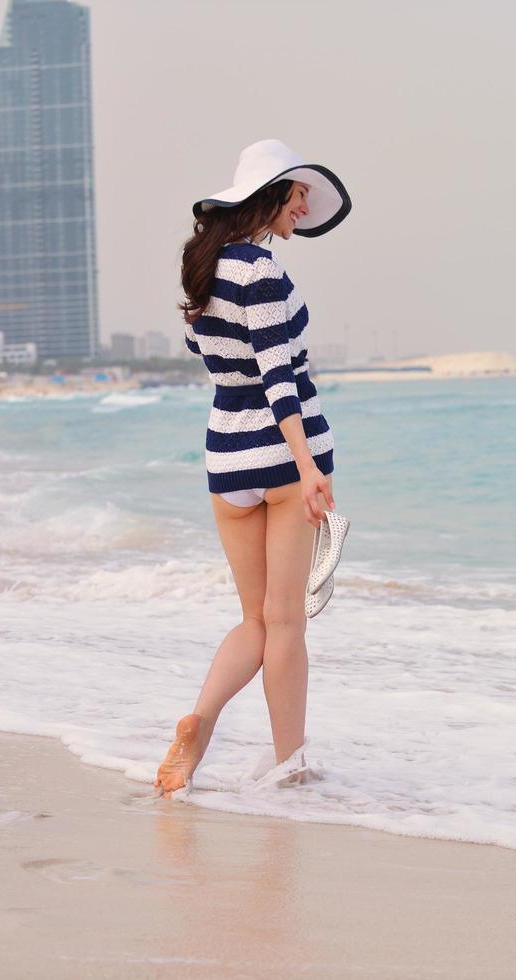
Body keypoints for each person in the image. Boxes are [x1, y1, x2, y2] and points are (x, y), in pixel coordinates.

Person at [154, 139, 353, 798]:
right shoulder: (262, 271)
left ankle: (198, 725)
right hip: (281, 459)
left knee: (253, 620)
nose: (302, 206)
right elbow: (276, 373)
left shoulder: (205, 274)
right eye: (296, 194)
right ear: (269, 197)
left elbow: (218, 363)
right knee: (287, 622)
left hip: (225, 458)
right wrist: (307, 464)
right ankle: (290, 766)